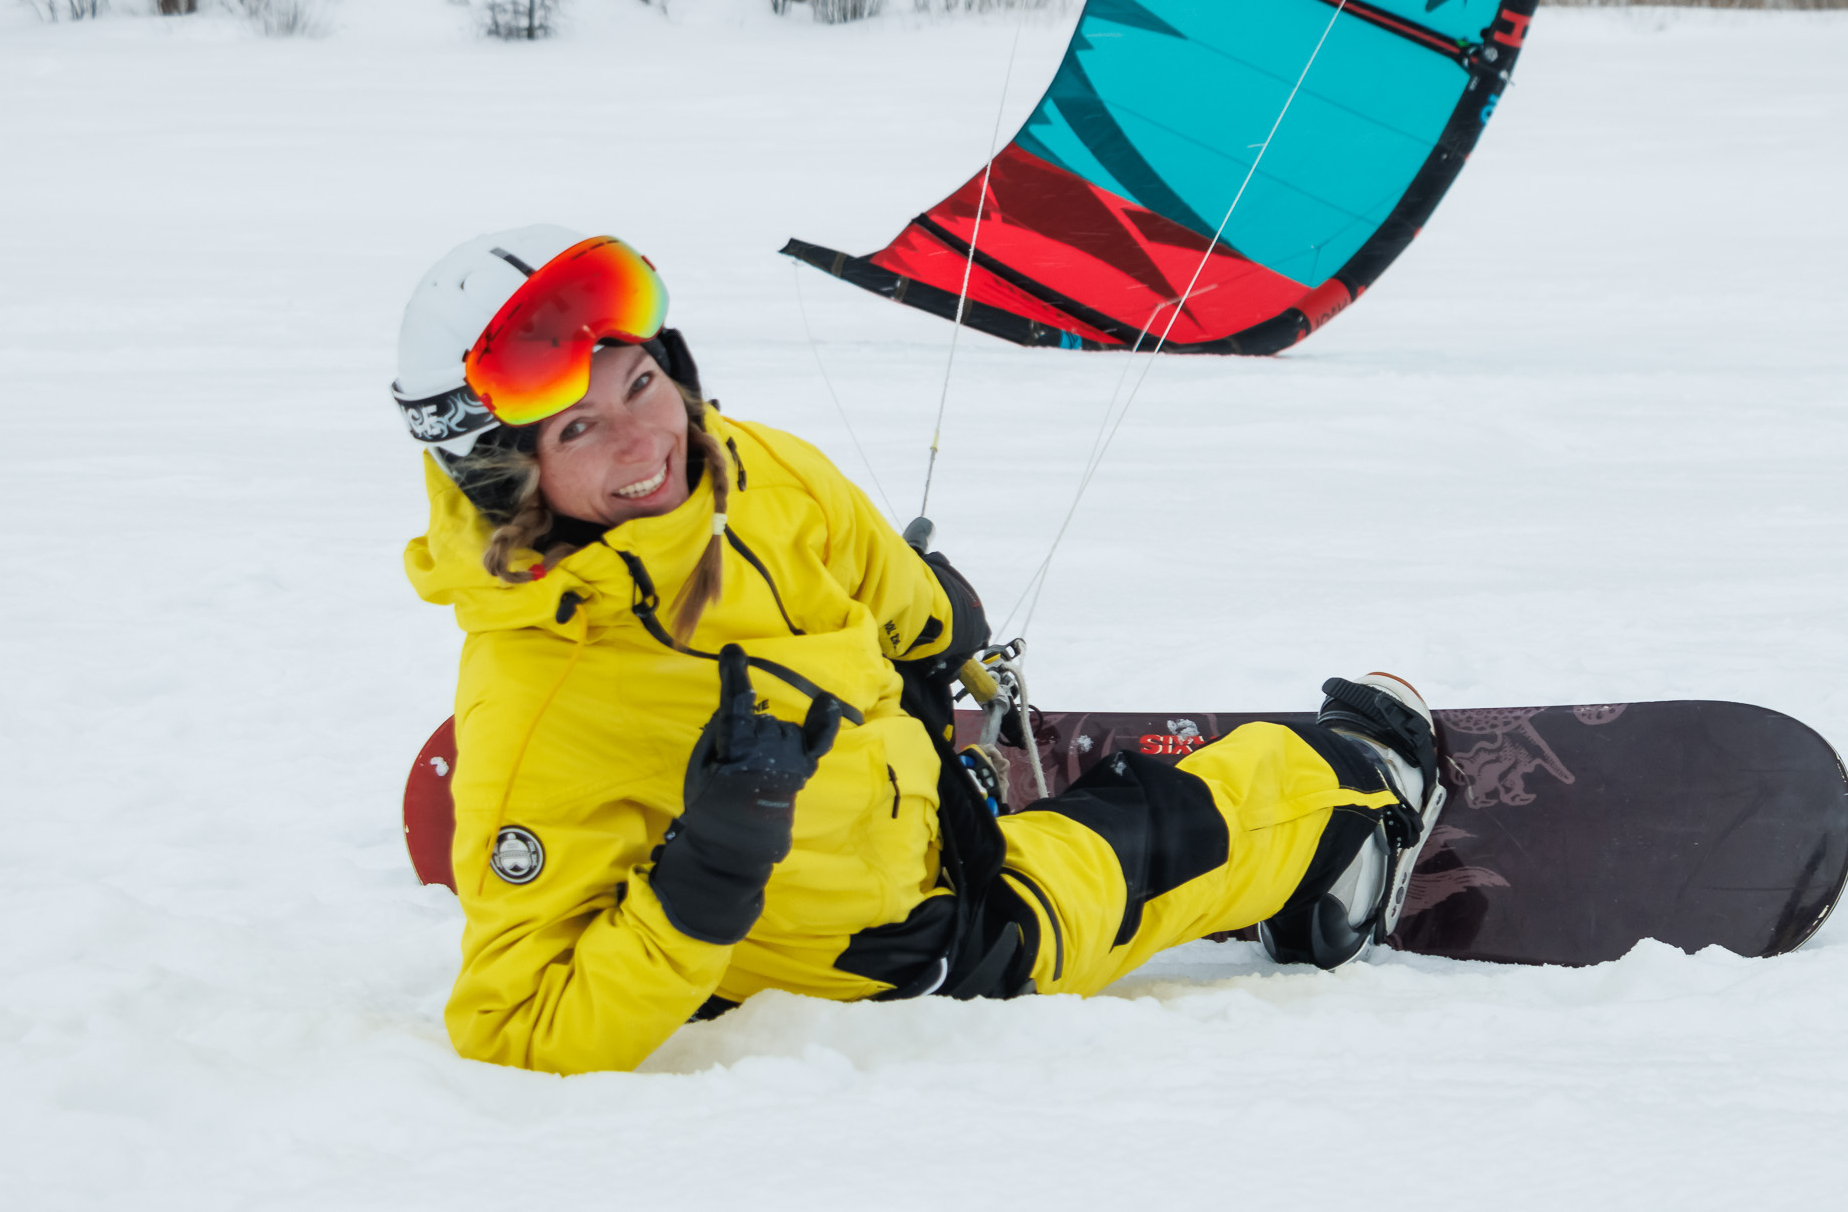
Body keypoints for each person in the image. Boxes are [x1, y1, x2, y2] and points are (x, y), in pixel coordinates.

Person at [395, 226, 1446, 1074]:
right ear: (507, 477)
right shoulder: (537, 703)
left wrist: (940, 628)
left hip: (905, 807)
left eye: (639, 386)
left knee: (1025, 793)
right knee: (1162, 832)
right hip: (902, 955)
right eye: (577, 432)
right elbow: (514, 1030)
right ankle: (1358, 796)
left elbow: (863, 564)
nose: (644, 445)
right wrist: (708, 872)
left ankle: (957, 781)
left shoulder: (750, 464)